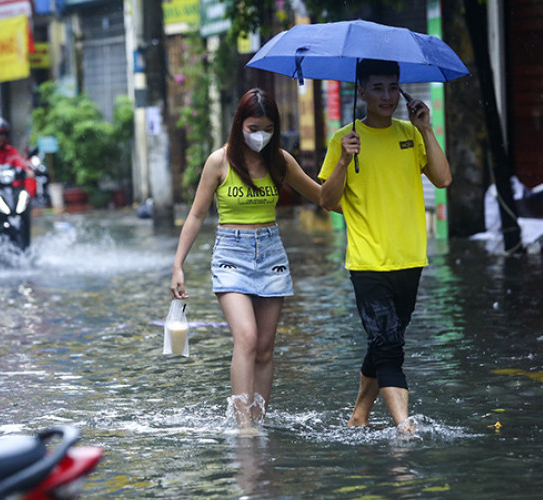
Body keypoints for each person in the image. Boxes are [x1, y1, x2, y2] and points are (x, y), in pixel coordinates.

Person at [170, 88, 321, 433]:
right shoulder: (218, 161)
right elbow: (195, 215)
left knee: (266, 347)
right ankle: (243, 427)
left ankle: (258, 419)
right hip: (231, 256)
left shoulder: (280, 161)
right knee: (248, 338)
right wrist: (178, 265)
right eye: (253, 128)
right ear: (239, 125)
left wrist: (345, 167)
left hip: (271, 253)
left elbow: (320, 196)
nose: (260, 136)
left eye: (267, 128)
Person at [318, 59, 453, 432]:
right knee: (390, 347)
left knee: (383, 342)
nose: (387, 96)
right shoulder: (343, 140)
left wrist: (426, 128)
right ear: (360, 91)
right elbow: (327, 202)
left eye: (393, 87)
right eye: (377, 88)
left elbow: (442, 179)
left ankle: (358, 417)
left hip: (410, 258)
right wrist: (344, 160)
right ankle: (404, 428)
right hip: (368, 262)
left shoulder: (410, 134)